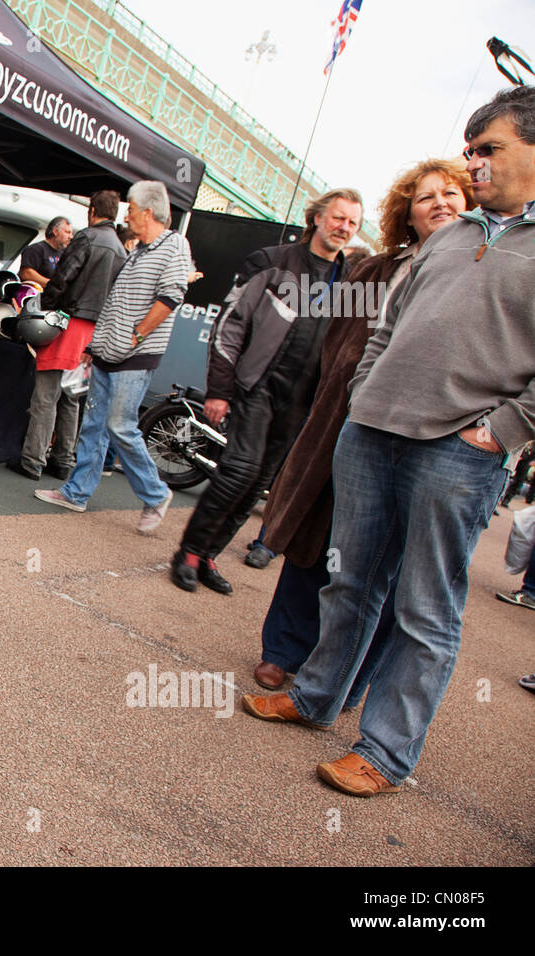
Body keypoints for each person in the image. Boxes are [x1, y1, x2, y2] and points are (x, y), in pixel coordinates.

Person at [242, 86, 535, 798]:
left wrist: (499, 433)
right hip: (370, 435)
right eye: (469, 150)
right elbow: (386, 327)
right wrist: (364, 397)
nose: (474, 165)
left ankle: (385, 751)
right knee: (349, 581)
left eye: (487, 149)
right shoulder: (453, 237)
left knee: (424, 607)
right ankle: (313, 697)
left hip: (459, 455)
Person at [250, 159, 473, 691]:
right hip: (345, 425)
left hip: (427, 437)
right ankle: (283, 651)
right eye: (425, 197)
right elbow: (330, 342)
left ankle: (346, 676)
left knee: (385, 567)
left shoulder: (479, 269)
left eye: (451, 193)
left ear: (472, 203)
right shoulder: (373, 271)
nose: (440, 203)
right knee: (316, 540)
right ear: (407, 214)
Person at [170, 187, 363, 594]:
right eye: (338, 217)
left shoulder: (348, 281)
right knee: (238, 471)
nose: (343, 227)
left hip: (304, 402)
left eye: (352, 222)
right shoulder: (271, 262)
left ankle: (208, 554)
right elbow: (230, 325)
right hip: (257, 386)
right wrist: (219, 390)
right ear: (317, 218)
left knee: (259, 483)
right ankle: (187, 553)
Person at [34, 180, 192, 533]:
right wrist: (96, 346)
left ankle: (155, 494)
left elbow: (171, 296)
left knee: (119, 426)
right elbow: (115, 303)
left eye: (131, 209)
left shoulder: (174, 245)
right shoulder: (136, 251)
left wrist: (137, 335)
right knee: (94, 425)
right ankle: (76, 493)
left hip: (135, 356)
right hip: (108, 353)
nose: (127, 215)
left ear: (148, 212)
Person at [8, 192, 123, 481]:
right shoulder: (121, 249)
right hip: (93, 330)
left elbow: (63, 278)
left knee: (46, 394)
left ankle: (33, 460)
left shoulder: (87, 238)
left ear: (93, 210)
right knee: (71, 397)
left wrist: (45, 309)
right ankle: (63, 460)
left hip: (68, 322)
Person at [18, 216, 74, 287]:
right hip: (36, 296)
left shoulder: (64, 253)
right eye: (67, 232)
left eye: (71, 233)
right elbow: (26, 273)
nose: (71, 237)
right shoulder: (37, 249)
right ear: (55, 231)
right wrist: (52, 285)